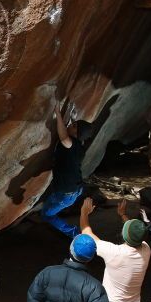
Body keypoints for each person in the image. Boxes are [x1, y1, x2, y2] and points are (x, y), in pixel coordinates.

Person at [41, 102, 93, 238]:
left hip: (67, 193)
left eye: (73, 126)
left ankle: (74, 234)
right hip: (71, 190)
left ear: (77, 133)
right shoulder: (79, 147)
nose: (70, 125)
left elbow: (64, 138)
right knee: (50, 205)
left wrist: (58, 114)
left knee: (46, 214)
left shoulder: (72, 144)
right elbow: (67, 137)